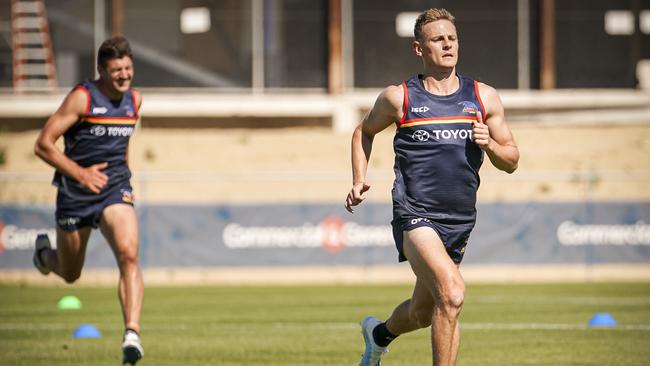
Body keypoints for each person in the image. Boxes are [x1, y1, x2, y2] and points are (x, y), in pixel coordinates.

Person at [345, 8, 519, 366]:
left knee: (424, 313)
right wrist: (359, 179)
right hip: (416, 216)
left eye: (452, 38)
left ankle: (378, 335)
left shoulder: (483, 98)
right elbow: (363, 131)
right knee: (453, 295)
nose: (447, 44)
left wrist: (490, 145)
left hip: (459, 222)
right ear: (419, 49)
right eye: (438, 39)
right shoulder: (399, 98)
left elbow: (512, 160)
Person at [33, 36, 144, 365]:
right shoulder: (82, 98)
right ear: (101, 70)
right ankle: (43, 255)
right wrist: (80, 175)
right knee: (70, 273)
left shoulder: (135, 101)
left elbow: (122, 142)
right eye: (116, 70)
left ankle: (132, 335)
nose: (123, 75)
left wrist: (125, 175)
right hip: (75, 193)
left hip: (114, 188)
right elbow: (43, 144)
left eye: (127, 68)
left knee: (128, 253)